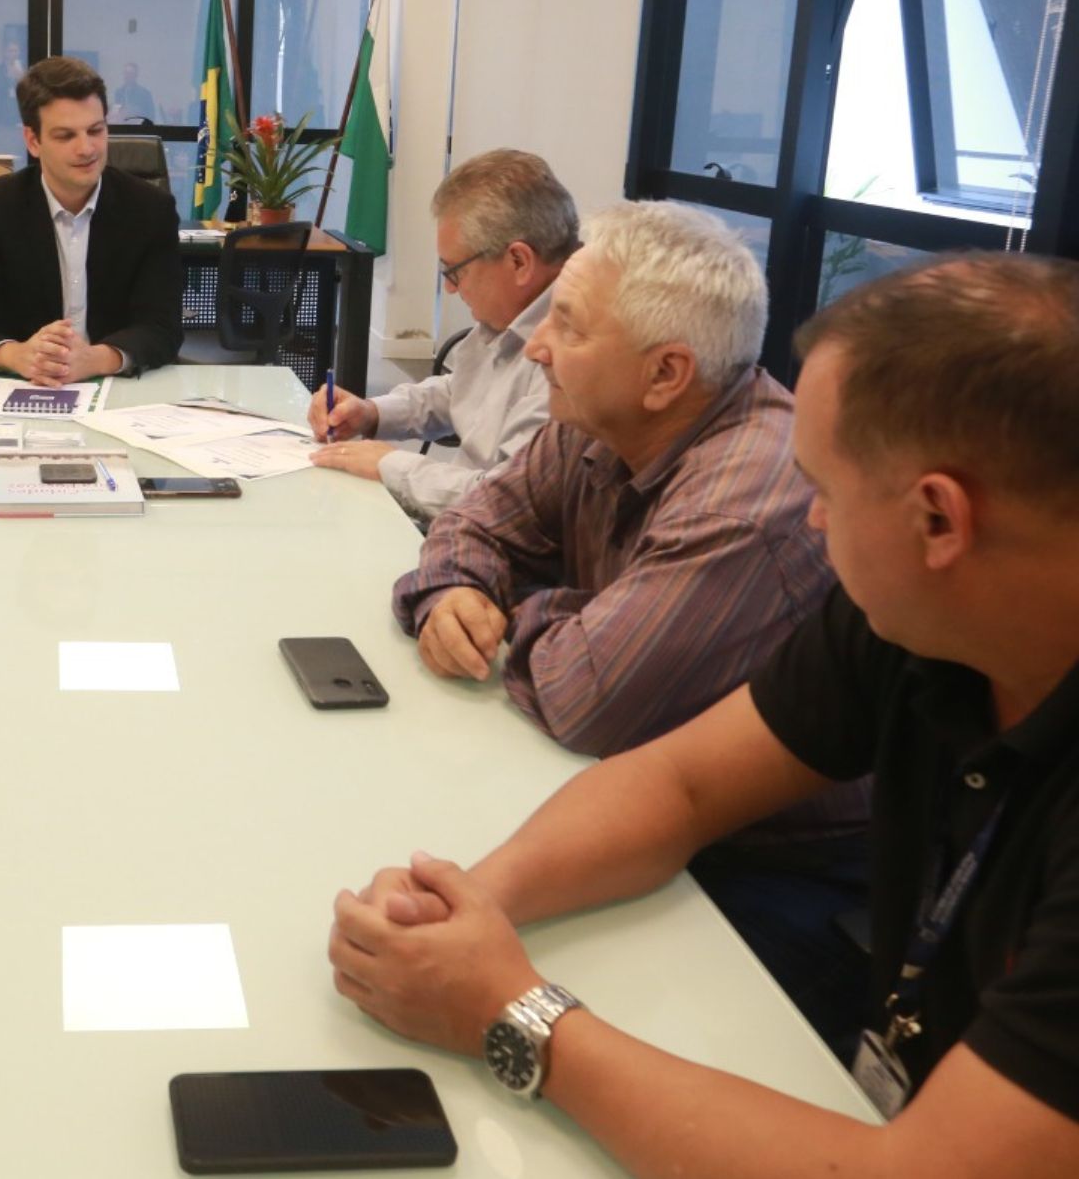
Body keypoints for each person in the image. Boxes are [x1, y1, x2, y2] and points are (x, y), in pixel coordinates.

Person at [329, 253, 1079, 1177]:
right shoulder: (918, 618)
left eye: (827, 491)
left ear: (939, 522)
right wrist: (472, 903)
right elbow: (679, 784)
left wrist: (509, 1011)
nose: (812, 523)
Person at [393, 200, 868, 1040]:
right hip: (644, 799)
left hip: (778, 870)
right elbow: (472, 524)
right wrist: (451, 591)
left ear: (666, 374)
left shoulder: (749, 494)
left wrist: (519, 605)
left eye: (568, 326)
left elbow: (585, 698)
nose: (536, 347)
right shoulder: (595, 420)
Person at [309, 149, 573, 521]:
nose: (450, 289)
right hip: (458, 528)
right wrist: (372, 413)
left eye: (455, 271)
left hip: (484, 537)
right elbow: (460, 390)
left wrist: (389, 465)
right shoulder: (509, 316)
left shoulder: (573, 350)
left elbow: (507, 501)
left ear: (519, 261)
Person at [0, 57, 184, 383]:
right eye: (66, 136)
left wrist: (96, 359)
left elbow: (163, 328)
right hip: (22, 387)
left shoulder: (150, 209)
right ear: (33, 141)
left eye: (95, 130)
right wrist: (17, 355)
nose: (86, 149)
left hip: (117, 388)